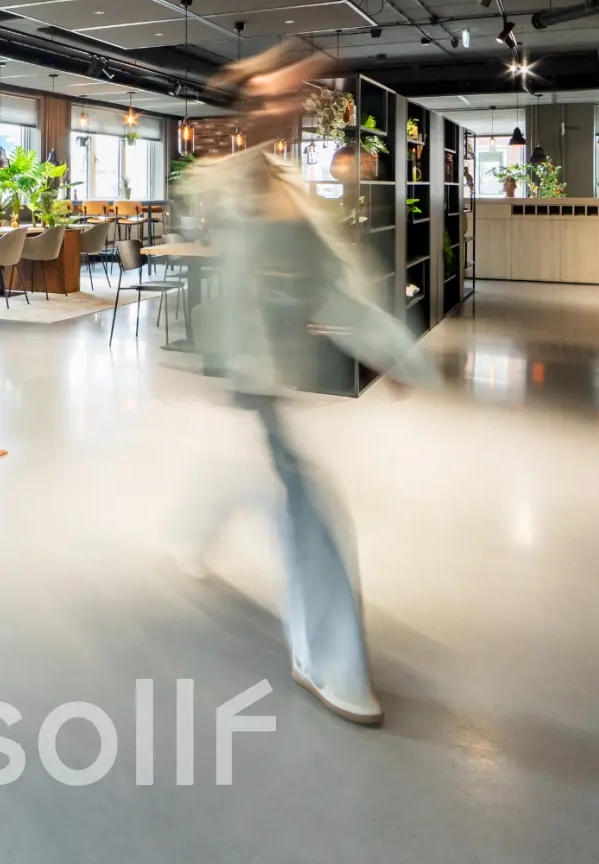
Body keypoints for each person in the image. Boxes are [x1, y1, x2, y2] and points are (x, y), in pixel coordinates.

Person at [173, 43, 417, 726]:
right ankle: (330, 661)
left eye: (294, 101)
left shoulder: (296, 189)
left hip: (276, 364)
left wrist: (389, 354)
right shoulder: (222, 177)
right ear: (251, 109)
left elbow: (334, 281)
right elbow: (206, 196)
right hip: (243, 360)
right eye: (274, 99)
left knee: (263, 468)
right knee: (310, 502)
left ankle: (193, 530)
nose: (288, 112)